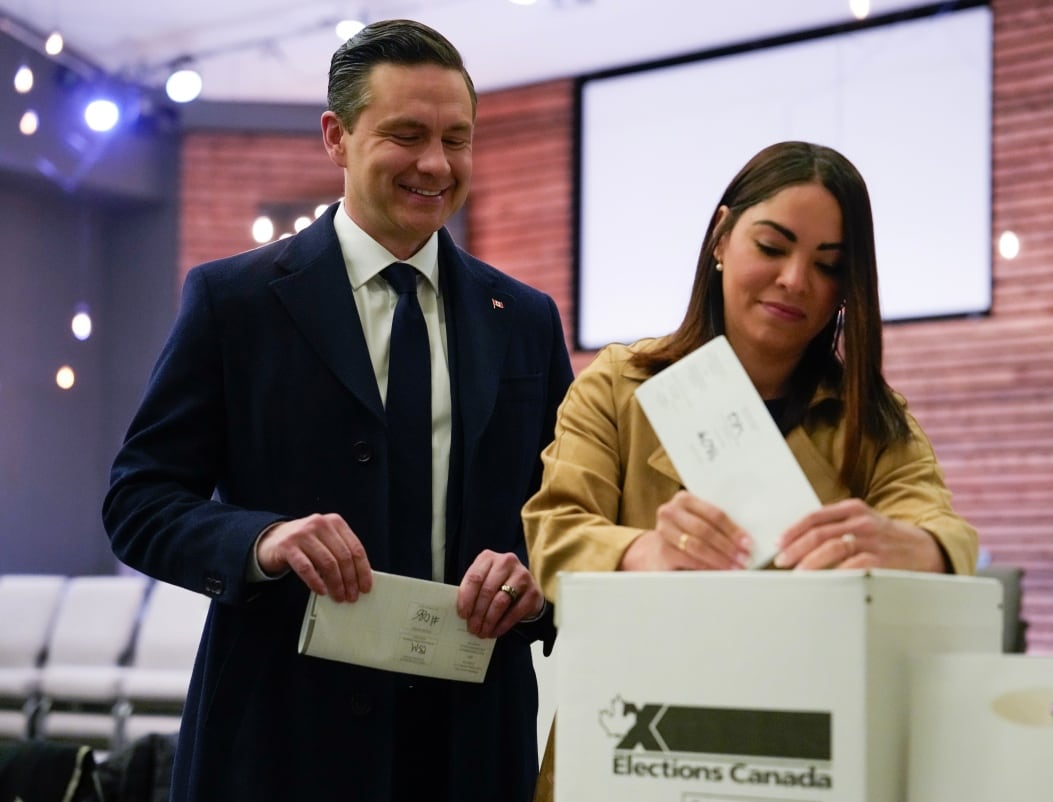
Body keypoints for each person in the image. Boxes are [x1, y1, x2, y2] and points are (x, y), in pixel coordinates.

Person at [103, 19, 572, 802]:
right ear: (336, 136)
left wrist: (537, 584)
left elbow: (564, 515)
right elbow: (137, 500)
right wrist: (263, 539)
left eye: (457, 140)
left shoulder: (523, 317)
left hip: (469, 744)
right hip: (282, 739)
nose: (435, 164)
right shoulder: (234, 301)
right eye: (407, 134)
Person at [521, 141, 978, 799]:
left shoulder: (870, 419)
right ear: (720, 237)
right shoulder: (619, 388)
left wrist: (918, 545)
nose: (795, 280)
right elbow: (554, 535)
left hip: (793, 751)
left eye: (828, 265)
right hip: (629, 742)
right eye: (772, 247)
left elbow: (943, 526)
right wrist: (643, 552)